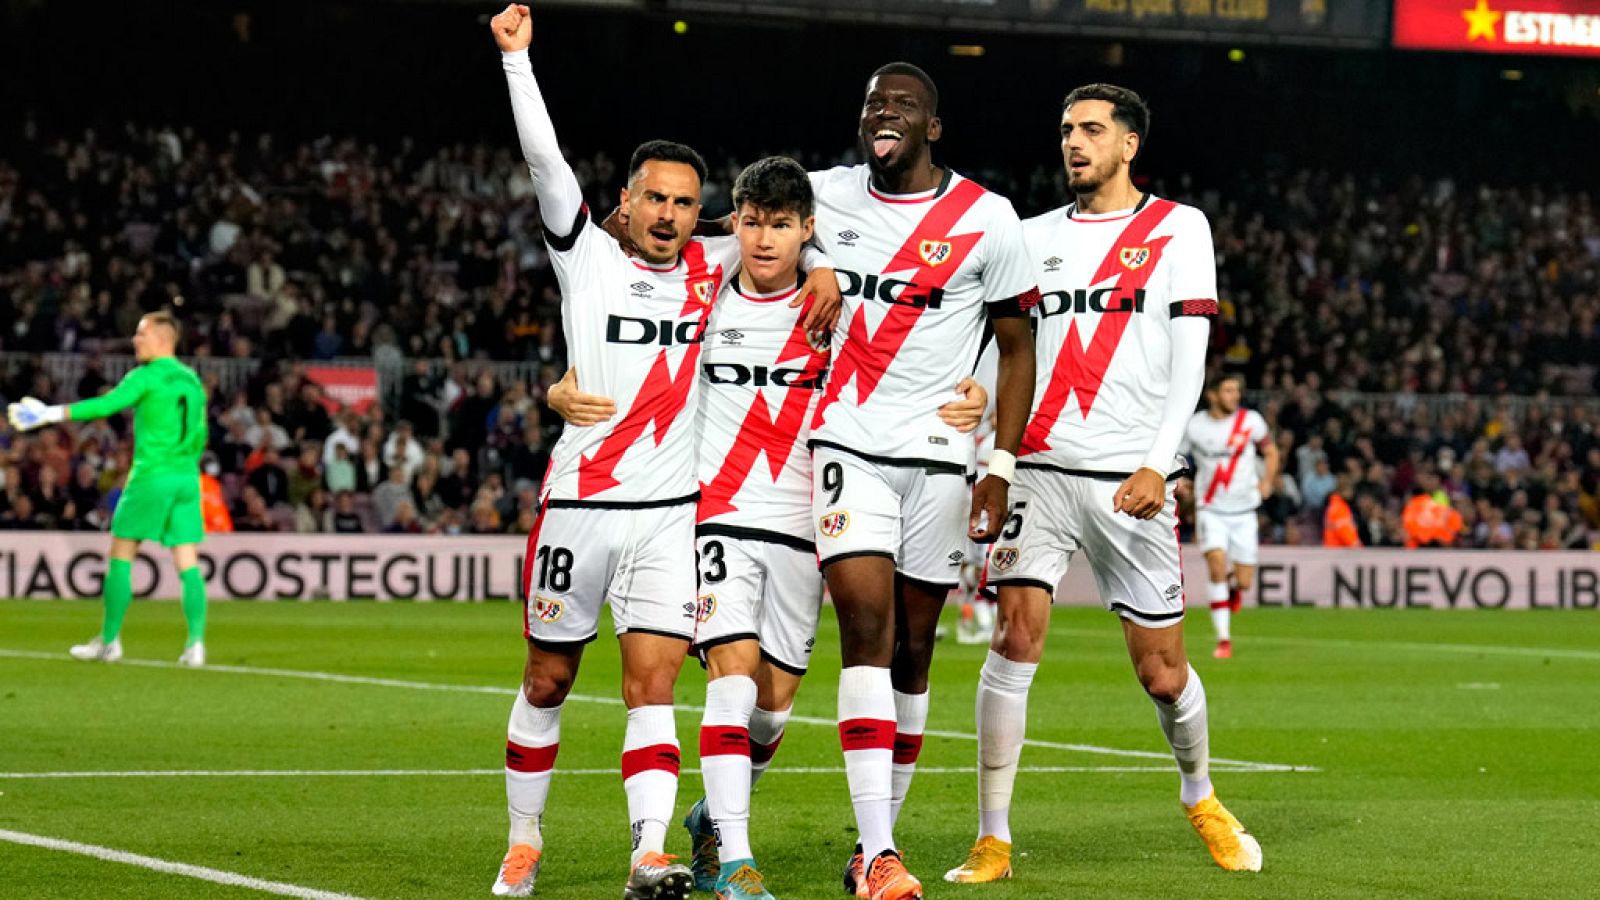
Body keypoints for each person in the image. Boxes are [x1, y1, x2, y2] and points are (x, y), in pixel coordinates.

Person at [549, 157, 985, 899]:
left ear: (807, 229)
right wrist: (561, 381)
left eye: (782, 225)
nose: (762, 237)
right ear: (735, 221)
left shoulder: (835, 311)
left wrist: (975, 390)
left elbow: (924, 344)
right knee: (733, 678)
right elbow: (617, 321)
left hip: (800, 523)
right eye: (751, 221)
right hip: (715, 515)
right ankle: (739, 864)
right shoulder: (704, 289)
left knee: (773, 709)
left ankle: (713, 817)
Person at [486, 8, 837, 899]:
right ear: (627, 200)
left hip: (670, 517)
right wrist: (518, 62)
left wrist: (826, 258)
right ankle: (524, 837)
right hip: (578, 503)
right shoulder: (587, 259)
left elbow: (787, 218)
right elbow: (543, 167)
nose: (672, 215)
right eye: (657, 199)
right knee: (549, 677)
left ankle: (650, 851)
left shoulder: (716, 262)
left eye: (687, 202)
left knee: (652, 687)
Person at [947, 84, 1262, 885]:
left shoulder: (1178, 228)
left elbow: (1190, 358)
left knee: (1161, 670)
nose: (1073, 142)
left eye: (1091, 130)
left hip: (1132, 475)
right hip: (1040, 469)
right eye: (1065, 130)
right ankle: (993, 837)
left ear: (1129, 145)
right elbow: (1009, 347)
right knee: (1015, 637)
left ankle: (1201, 795)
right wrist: (984, 411)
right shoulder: (1028, 235)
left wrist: (1162, 461)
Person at [806, 61, 1039, 900]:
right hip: (845, 442)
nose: (884, 113)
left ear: (932, 127)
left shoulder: (988, 218)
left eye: (903, 104)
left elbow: (1018, 351)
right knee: (864, 629)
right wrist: (806, 251)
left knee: (913, 652)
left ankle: (881, 838)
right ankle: (877, 856)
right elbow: (740, 225)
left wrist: (999, 464)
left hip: (940, 461)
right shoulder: (819, 196)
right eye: (873, 101)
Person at [7, 311, 210, 667]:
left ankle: (109, 641)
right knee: (187, 560)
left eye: (141, 334)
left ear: (163, 340)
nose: (135, 340)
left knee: (121, 554)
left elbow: (105, 405)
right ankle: (195, 644)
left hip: (152, 475)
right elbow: (200, 434)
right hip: (186, 478)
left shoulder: (146, 376)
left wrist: (50, 414)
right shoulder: (192, 381)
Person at [1181, 373, 1278, 659]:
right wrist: (1183, 481)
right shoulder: (1195, 425)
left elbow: (1271, 452)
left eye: (1237, 390)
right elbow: (1179, 456)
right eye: (1228, 390)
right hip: (1210, 508)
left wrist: (1268, 481)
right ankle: (1224, 639)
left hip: (1244, 511)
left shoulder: (1251, 421)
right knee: (1217, 565)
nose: (1235, 395)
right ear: (1212, 395)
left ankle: (1234, 591)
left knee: (1245, 581)